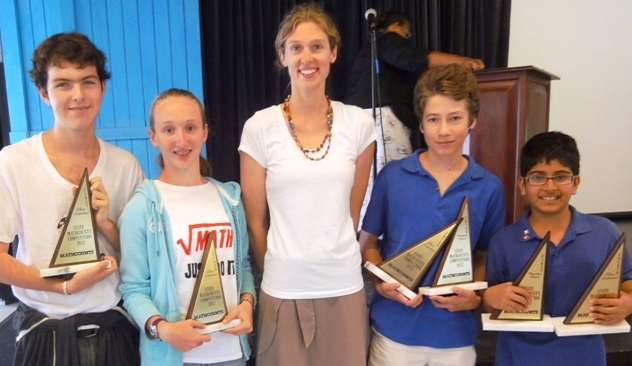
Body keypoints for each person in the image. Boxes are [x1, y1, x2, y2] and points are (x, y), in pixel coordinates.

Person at [238, 3, 376, 365]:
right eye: (296, 47)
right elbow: (255, 221)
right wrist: (281, 268)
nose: (307, 57)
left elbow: (352, 211)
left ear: (333, 52)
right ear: (282, 56)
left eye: (317, 46)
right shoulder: (259, 127)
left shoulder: (359, 124)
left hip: (342, 285)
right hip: (283, 288)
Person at [0, 32, 143, 365]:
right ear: (43, 92)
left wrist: (106, 225)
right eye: (63, 84)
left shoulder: (126, 166)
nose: (78, 95)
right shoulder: (13, 162)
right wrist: (61, 286)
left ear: (102, 88)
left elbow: (141, 258)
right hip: (44, 331)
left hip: (114, 328)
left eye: (88, 82)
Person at [360, 63, 505, 366]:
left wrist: (475, 297)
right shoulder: (393, 177)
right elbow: (369, 244)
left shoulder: (489, 187)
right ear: (421, 124)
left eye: (454, 118)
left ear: (472, 121)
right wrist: (381, 283)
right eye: (433, 119)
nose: (443, 130)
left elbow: (482, 255)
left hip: (455, 336)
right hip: (395, 330)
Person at [118, 88, 255, 366]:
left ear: (204, 131)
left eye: (190, 127)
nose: (181, 140)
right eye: (169, 130)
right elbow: (133, 289)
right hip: (173, 357)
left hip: (230, 352)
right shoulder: (142, 207)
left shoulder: (230, 199)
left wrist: (247, 304)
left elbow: (243, 267)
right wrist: (163, 329)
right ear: (153, 136)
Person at [483, 131, 632, 366]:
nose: (549, 187)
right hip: (519, 357)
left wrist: (628, 302)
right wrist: (490, 297)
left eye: (561, 176)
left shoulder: (605, 233)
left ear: (576, 183)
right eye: (538, 177)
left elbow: (626, 280)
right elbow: (489, 297)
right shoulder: (503, 241)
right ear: (522, 184)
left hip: (586, 357)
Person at [347, 10, 485, 222]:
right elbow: (413, 59)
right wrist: (462, 62)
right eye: (407, 34)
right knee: (398, 187)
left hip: (366, 125)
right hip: (384, 122)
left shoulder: (369, 54)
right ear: (396, 27)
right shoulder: (388, 40)